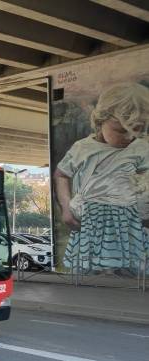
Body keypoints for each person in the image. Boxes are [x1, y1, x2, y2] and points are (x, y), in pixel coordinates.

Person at [54, 82, 149, 275]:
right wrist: (66, 208)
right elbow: (61, 174)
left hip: (126, 219)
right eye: (122, 130)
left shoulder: (139, 148)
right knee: (89, 268)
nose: (129, 137)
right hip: (91, 219)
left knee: (130, 268)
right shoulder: (82, 148)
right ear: (100, 119)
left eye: (137, 130)